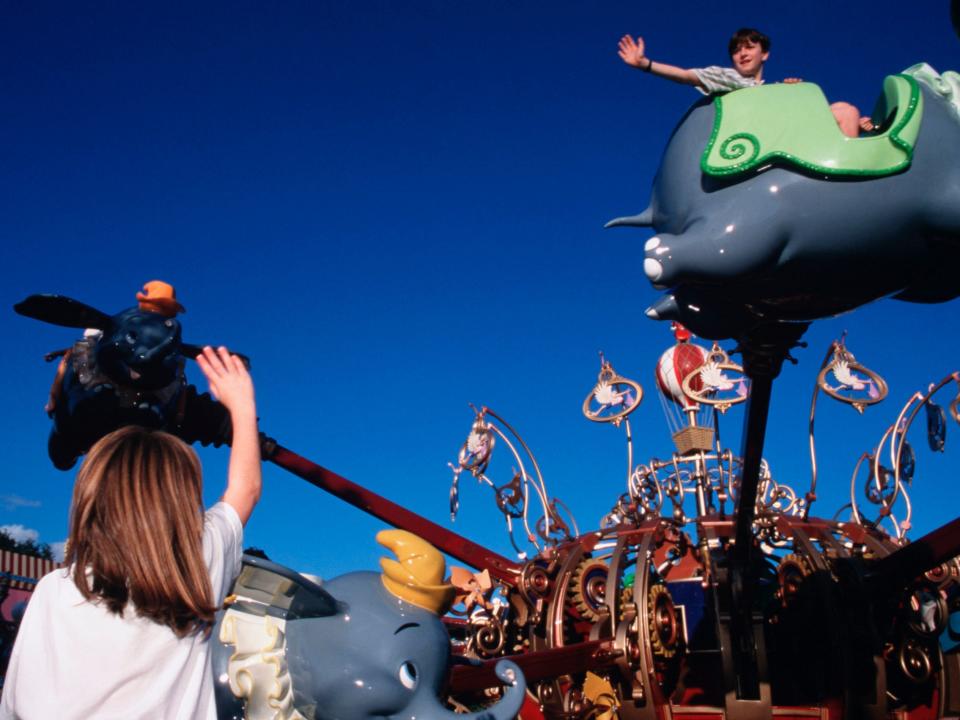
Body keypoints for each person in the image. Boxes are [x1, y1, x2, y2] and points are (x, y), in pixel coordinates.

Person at [0, 345, 260, 720]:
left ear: (90, 500)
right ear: (184, 498)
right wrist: (241, 405)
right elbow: (245, 489)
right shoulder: (200, 567)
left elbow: (16, 702)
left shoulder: (52, 591)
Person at [618, 28, 872, 137]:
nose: (743, 53)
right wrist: (647, 65)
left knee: (846, 110)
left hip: (786, 128)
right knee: (843, 111)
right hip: (758, 136)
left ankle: (853, 149)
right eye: (737, 50)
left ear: (765, 54)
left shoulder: (772, 88)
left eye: (750, 47)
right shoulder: (730, 78)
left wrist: (793, 93)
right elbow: (686, 76)